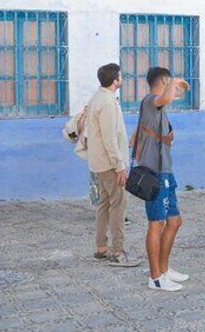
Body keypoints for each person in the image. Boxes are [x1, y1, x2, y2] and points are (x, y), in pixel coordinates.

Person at [132, 67, 191, 291]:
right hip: (155, 173)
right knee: (156, 224)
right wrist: (175, 81)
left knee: (174, 221)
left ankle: (164, 269)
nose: (175, 90)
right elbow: (166, 96)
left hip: (165, 171)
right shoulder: (150, 101)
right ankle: (155, 277)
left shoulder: (159, 109)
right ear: (164, 80)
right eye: (172, 83)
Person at [85, 63, 139, 267]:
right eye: (120, 76)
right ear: (115, 80)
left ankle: (101, 248)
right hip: (109, 164)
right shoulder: (107, 103)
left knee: (104, 205)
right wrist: (119, 166)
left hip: (100, 162)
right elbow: (109, 139)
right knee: (118, 206)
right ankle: (117, 251)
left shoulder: (98, 98)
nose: (122, 78)